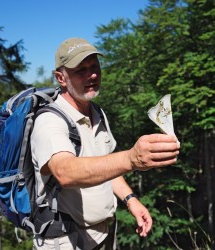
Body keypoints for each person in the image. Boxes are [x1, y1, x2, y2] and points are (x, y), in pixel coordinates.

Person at [31, 37, 180, 250]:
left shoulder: (97, 112)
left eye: (94, 66)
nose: (92, 74)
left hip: (104, 233)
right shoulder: (50, 120)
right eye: (80, 70)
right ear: (61, 78)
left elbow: (107, 166)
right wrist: (132, 158)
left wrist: (131, 200)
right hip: (64, 241)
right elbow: (65, 172)